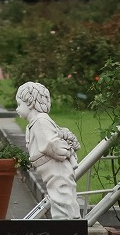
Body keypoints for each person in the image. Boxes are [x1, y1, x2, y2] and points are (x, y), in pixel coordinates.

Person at [15, 81, 82, 220]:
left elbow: (51, 143)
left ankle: (67, 224)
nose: (17, 109)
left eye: (19, 104)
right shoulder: (35, 122)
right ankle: (69, 223)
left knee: (62, 195)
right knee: (60, 195)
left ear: (30, 103)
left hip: (56, 168)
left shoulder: (40, 121)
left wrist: (65, 151)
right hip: (50, 170)